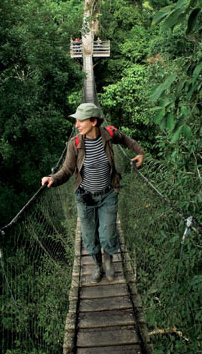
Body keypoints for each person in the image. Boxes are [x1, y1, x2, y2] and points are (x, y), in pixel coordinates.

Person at [41, 103, 144, 283]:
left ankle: (108, 261)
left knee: (108, 233)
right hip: (84, 197)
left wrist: (140, 152)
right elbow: (67, 170)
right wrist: (53, 178)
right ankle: (98, 264)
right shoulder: (75, 144)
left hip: (108, 195)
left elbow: (126, 139)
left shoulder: (108, 135)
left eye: (81, 121)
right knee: (89, 237)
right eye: (76, 121)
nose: (77, 125)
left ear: (94, 121)